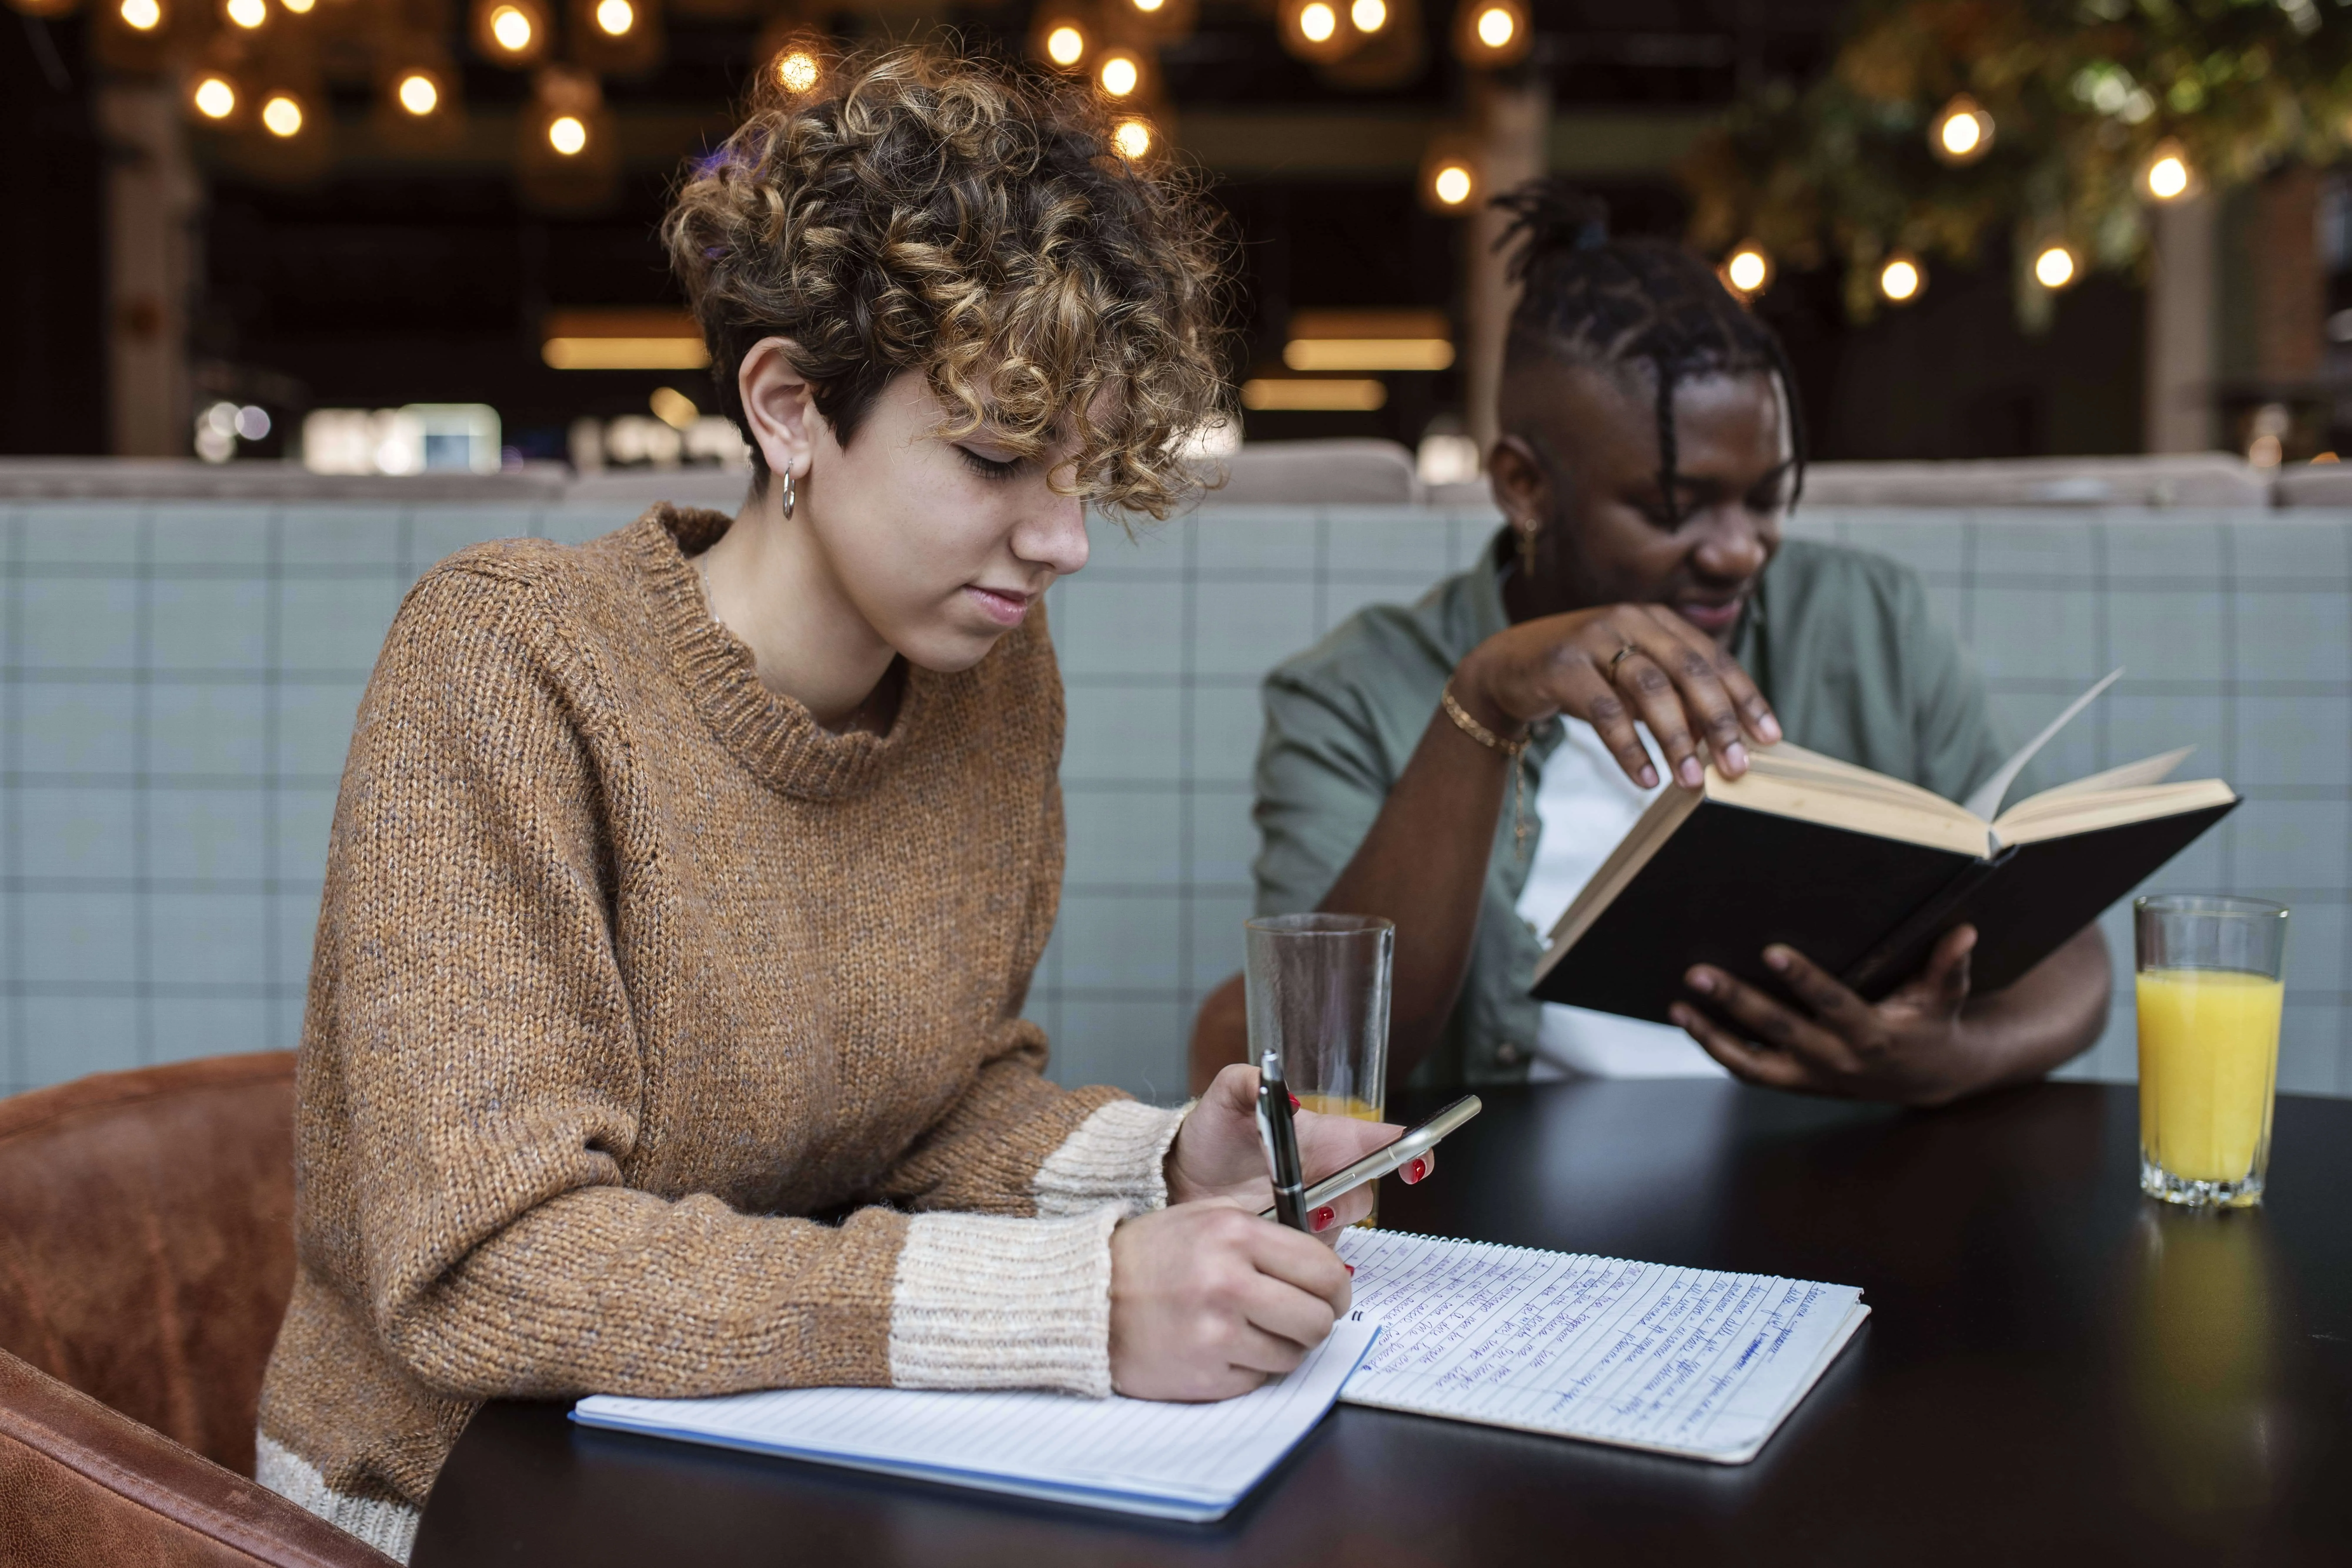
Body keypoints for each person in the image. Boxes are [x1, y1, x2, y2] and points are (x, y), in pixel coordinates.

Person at [256, 49, 1407, 1560]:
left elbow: (928, 1105)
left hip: (774, 1461)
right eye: (999, 456)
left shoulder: (990, 670)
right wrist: (1071, 1302)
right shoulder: (510, 665)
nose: (1060, 538)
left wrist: (1168, 1165)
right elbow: (486, 1268)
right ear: (790, 407)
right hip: (456, 1495)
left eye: (1081, 469)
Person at [1190, 181, 2108, 1107]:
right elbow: (1310, 1053)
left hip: (1821, 1169)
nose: (1738, 549)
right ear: (1523, 485)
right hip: (1512, 1207)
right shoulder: (1354, 689)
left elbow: (2071, 966)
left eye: (1764, 497)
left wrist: (1948, 1062)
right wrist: (1485, 702)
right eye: (1672, 508)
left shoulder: (1866, 621)